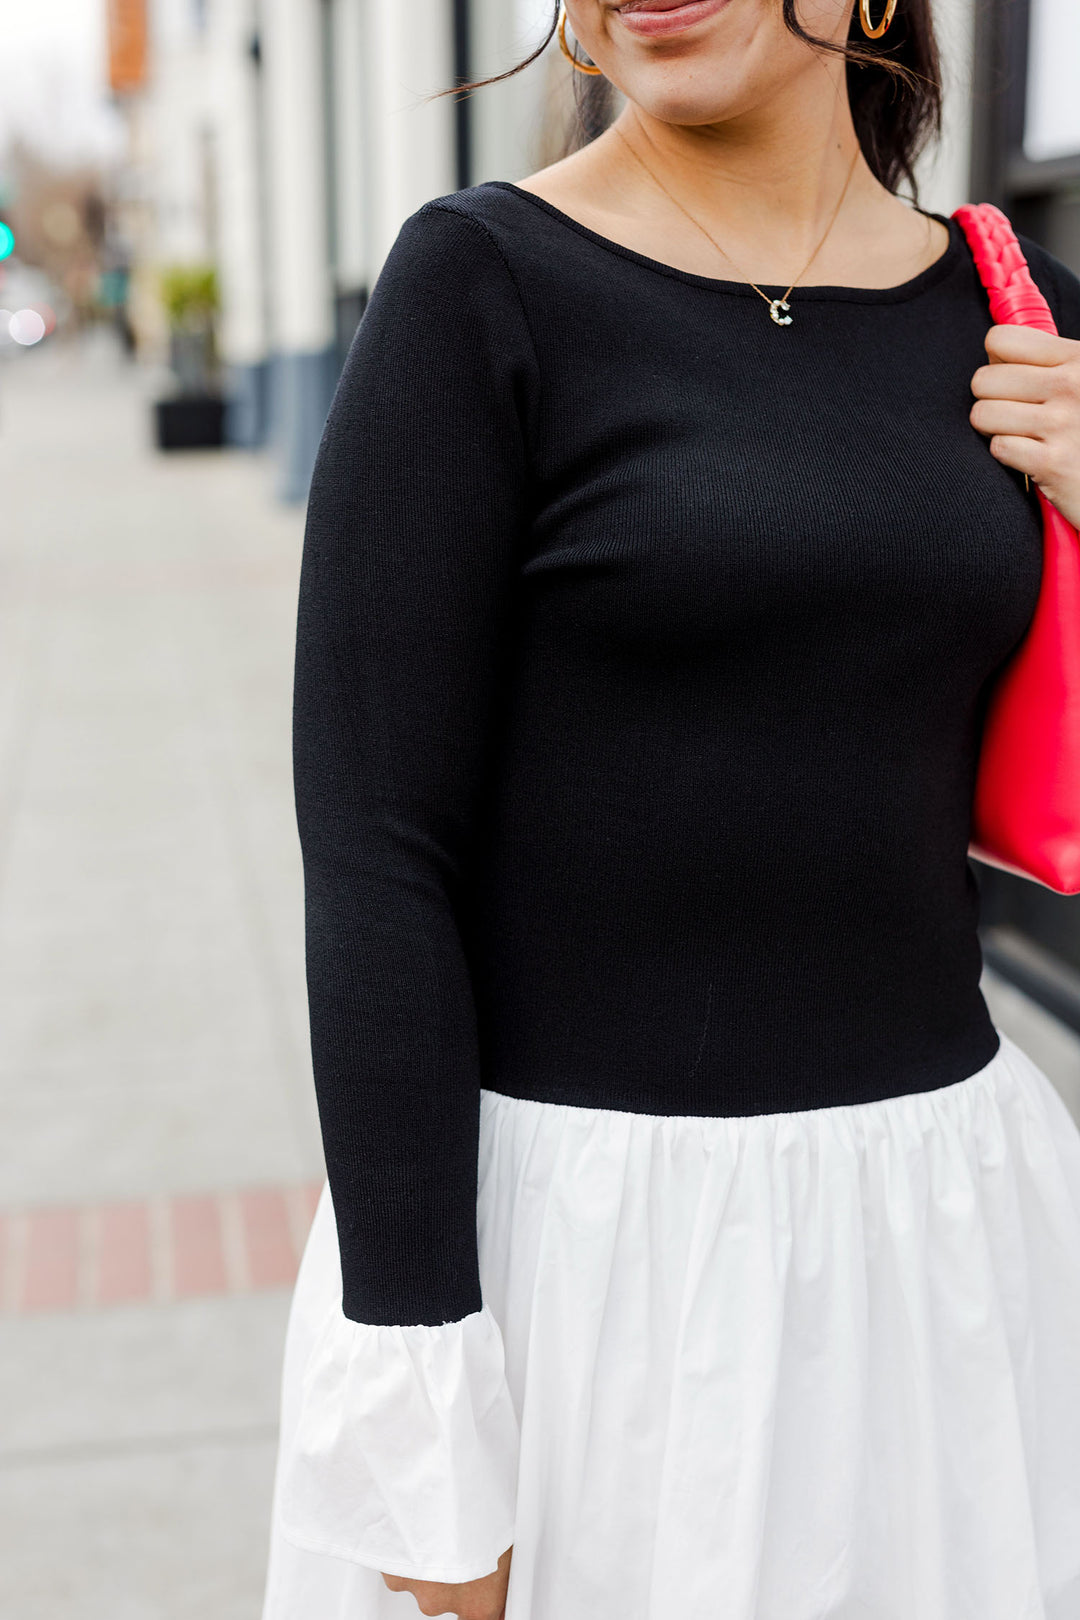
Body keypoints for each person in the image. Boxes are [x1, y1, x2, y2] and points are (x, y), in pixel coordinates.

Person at [261, 2, 1080, 1616]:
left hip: (940, 1255)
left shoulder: (1019, 314)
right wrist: (433, 1429)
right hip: (583, 1267)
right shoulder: (481, 285)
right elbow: (375, 858)